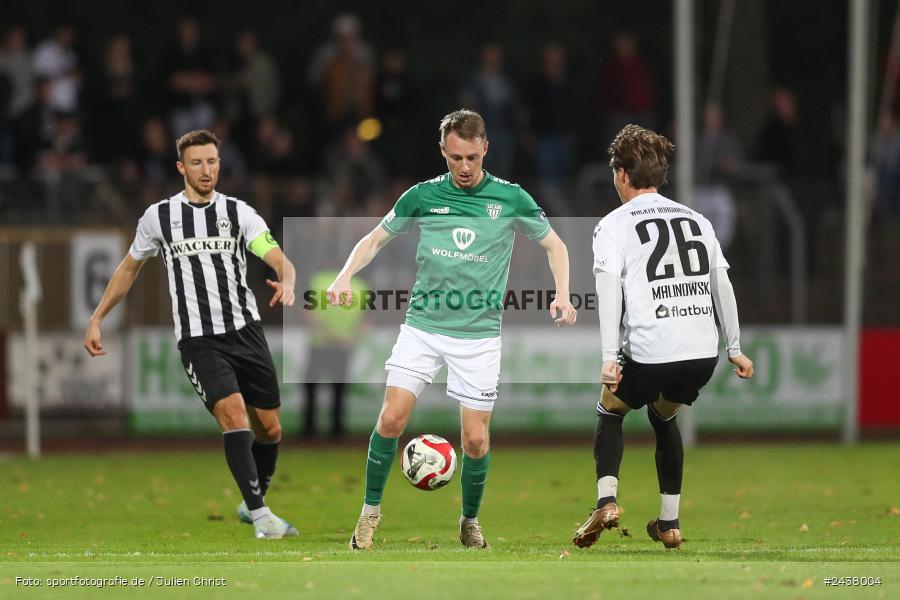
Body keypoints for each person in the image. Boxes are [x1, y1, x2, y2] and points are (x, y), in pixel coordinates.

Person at [327, 109, 577, 550]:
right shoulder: (421, 196)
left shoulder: (511, 198)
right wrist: (344, 276)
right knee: (390, 418)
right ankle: (368, 515)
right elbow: (374, 240)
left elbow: (554, 244)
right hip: (422, 327)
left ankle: (469, 521)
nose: (464, 167)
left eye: (472, 158)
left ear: (485, 150)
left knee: (475, 440)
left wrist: (562, 293)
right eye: (456, 157)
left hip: (478, 337)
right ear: (443, 151)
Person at [82, 129, 299, 540]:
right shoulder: (158, 218)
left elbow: (278, 258)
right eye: (197, 162)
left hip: (246, 333)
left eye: (213, 162)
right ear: (181, 167)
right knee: (233, 416)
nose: (206, 170)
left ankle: (252, 499)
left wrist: (286, 280)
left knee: (270, 429)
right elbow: (129, 269)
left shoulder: (240, 213)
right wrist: (96, 318)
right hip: (199, 342)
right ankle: (261, 517)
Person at [572, 125, 754, 550]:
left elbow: (608, 291)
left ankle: (607, 500)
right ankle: (669, 523)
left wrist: (608, 356)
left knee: (611, 408)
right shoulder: (696, 219)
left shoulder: (613, 225)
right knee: (664, 415)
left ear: (620, 174)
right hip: (701, 352)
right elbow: (721, 285)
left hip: (652, 349)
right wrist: (736, 349)